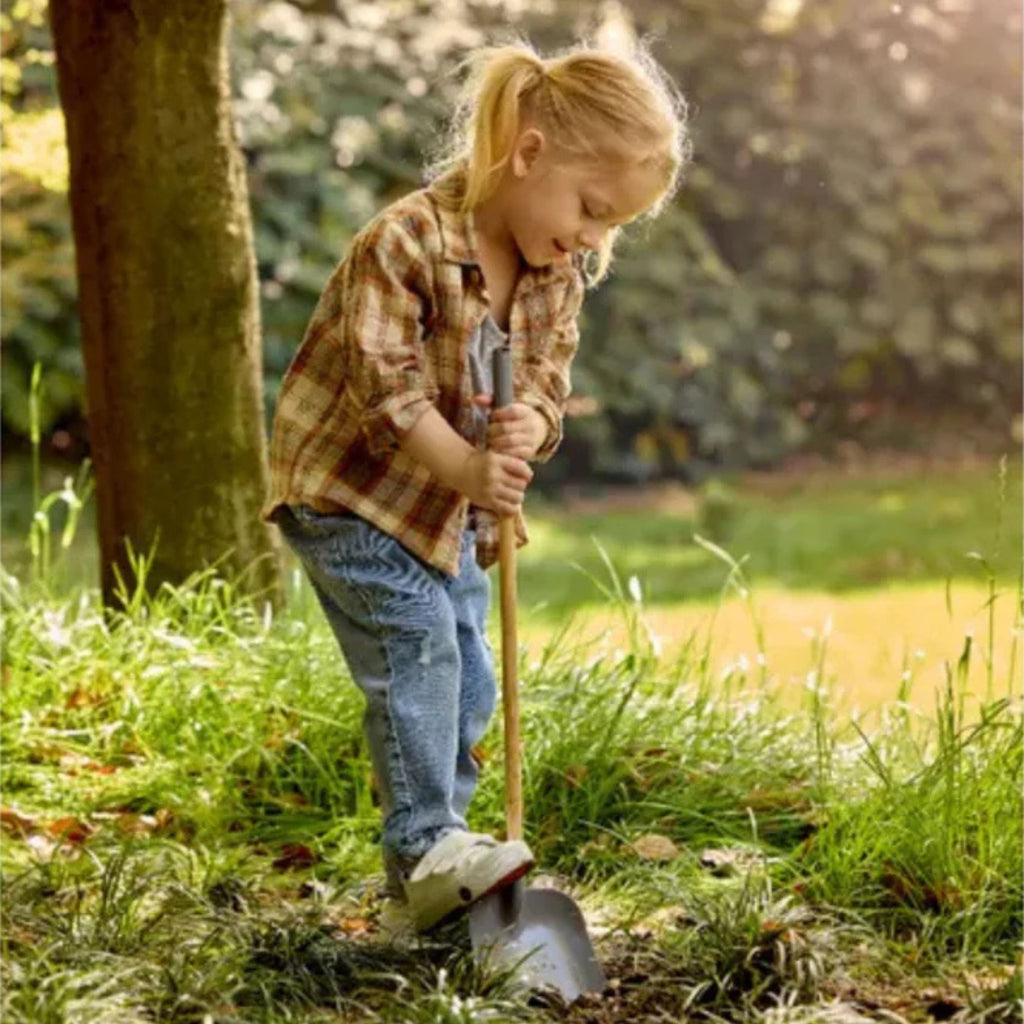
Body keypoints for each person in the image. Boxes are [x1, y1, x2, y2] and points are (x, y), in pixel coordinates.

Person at [263, 40, 689, 933]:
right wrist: (466, 466)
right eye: (592, 209)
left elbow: (546, 376)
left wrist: (531, 422)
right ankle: (427, 848)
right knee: (420, 649)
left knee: (469, 686)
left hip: (443, 514)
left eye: (614, 229)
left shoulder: (552, 271)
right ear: (528, 153)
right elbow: (384, 391)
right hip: (354, 495)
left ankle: (432, 887)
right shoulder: (406, 241)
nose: (593, 239)